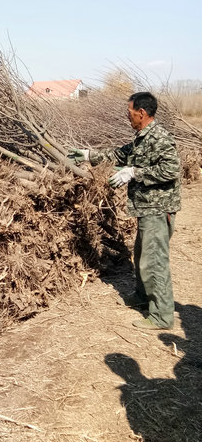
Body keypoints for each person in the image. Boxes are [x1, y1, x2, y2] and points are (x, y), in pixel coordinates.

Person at [69, 91, 181, 331]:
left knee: (154, 262)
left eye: (129, 112)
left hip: (158, 209)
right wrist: (89, 155)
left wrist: (134, 172)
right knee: (142, 257)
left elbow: (171, 170)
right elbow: (118, 153)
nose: (126, 116)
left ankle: (161, 316)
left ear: (141, 113)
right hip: (146, 208)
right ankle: (143, 297)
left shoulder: (160, 138)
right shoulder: (141, 137)